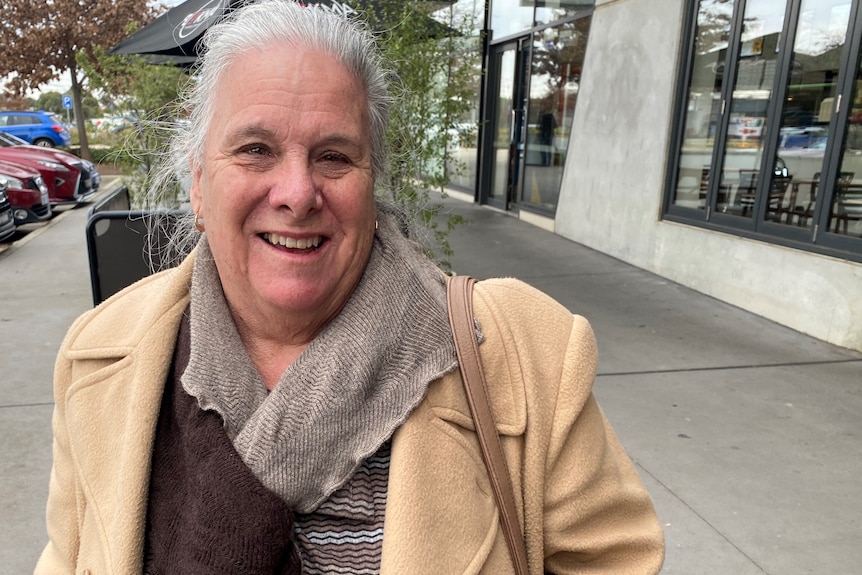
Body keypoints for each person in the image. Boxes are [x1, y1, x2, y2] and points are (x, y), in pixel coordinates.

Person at [36, 1, 664, 573]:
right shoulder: (100, 358)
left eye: (334, 156)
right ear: (198, 185)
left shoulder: (528, 358)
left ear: (372, 183)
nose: (297, 194)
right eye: (256, 149)